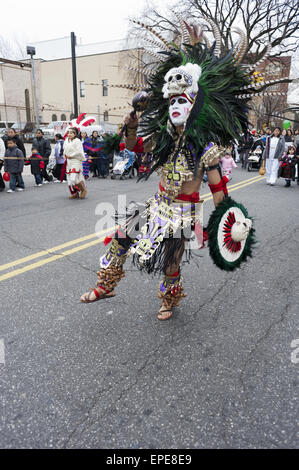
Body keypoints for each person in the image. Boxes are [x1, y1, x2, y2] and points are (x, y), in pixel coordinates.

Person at [79, 19, 270, 320]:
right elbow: (134, 146)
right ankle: (106, 285)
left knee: (172, 261)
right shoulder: (163, 138)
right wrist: (130, 126)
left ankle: (169, 299)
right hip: (157, 205)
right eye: (172, 100)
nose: (175, 105)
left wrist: (227, 224)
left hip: (184, 213)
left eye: (182, 99)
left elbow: (218, 189)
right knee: (122, 234)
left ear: (194, 103)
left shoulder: (205, 147)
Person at [64, 127, 86, 199]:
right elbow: (64, 150)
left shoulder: (77, 141)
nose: (69, 134)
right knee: (69, 179)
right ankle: (75, 193)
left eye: (71, 133)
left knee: (74, 178)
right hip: (68, 161)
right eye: (68, 133)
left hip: (76, 160)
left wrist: (71, 155)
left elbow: (79, 151)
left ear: (75, 134)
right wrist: (65, 155)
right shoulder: (66, 140)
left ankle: (83, 190)